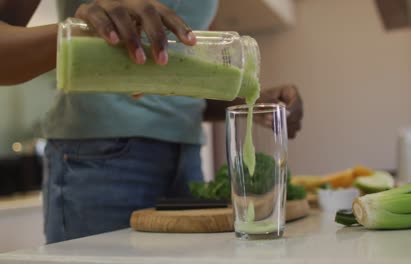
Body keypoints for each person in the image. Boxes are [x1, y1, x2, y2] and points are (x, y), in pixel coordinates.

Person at [0, 0, 303, 243]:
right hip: (97, 164)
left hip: (186, 163)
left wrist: (255, 99)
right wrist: (78, 33)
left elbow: (180, 77)